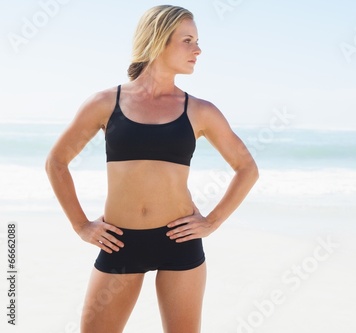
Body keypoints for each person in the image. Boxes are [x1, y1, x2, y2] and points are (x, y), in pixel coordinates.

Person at [45, 5, 258, 333]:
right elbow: (56, 163)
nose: (198, 49)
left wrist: (212, 221)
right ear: (159, 39)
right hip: (119, 244)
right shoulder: (105, 102)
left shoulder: (200, 110)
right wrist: (81, 225)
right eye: (188, 40)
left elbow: (246, 168)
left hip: (179, 242)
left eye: (198, 41)